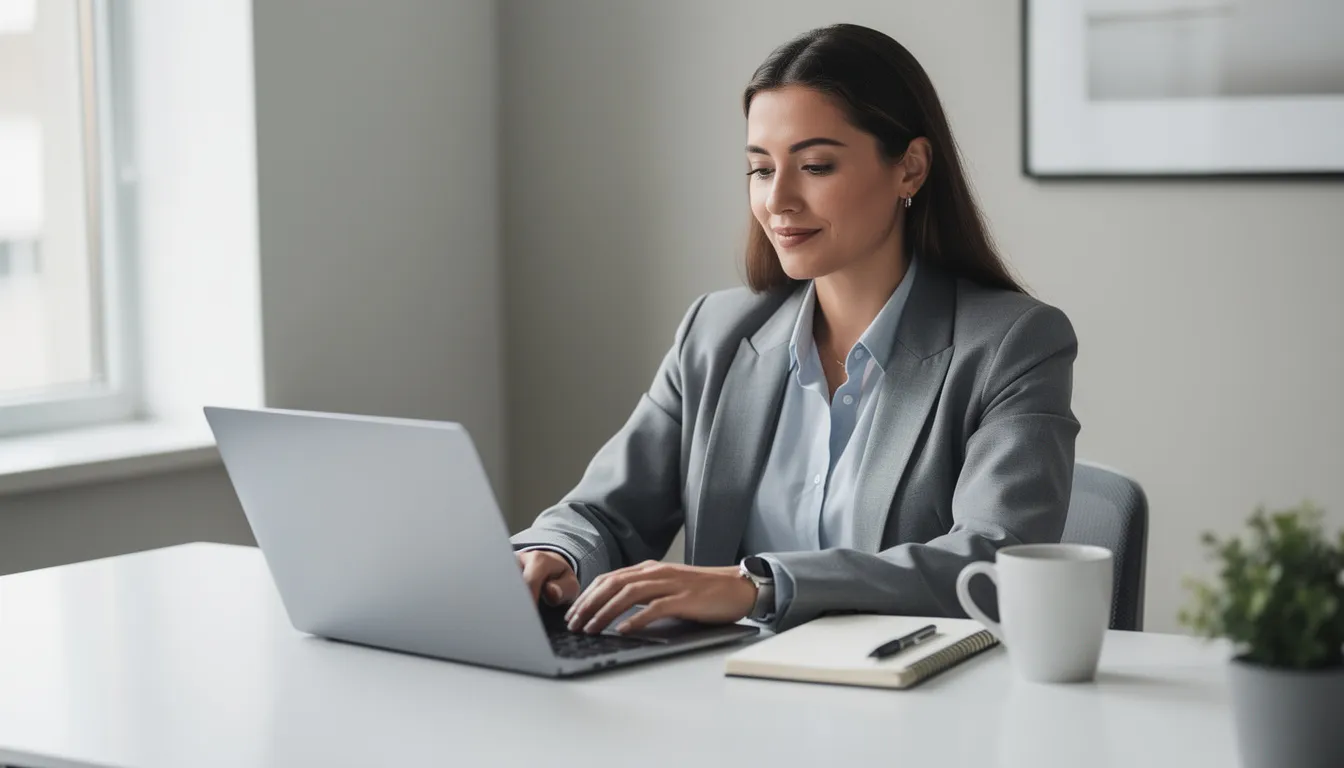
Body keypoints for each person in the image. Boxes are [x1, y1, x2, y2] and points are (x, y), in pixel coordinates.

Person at [511, 23, 1079, 637]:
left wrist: (758, 587)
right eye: (760, 169)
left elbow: (992, 563)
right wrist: (557, 553)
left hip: (912, 709)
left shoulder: (1013, 344)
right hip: (720, 697)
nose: (778, 199)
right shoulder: (715, 334)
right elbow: (604, 512)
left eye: (815, 165)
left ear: (910, 169)